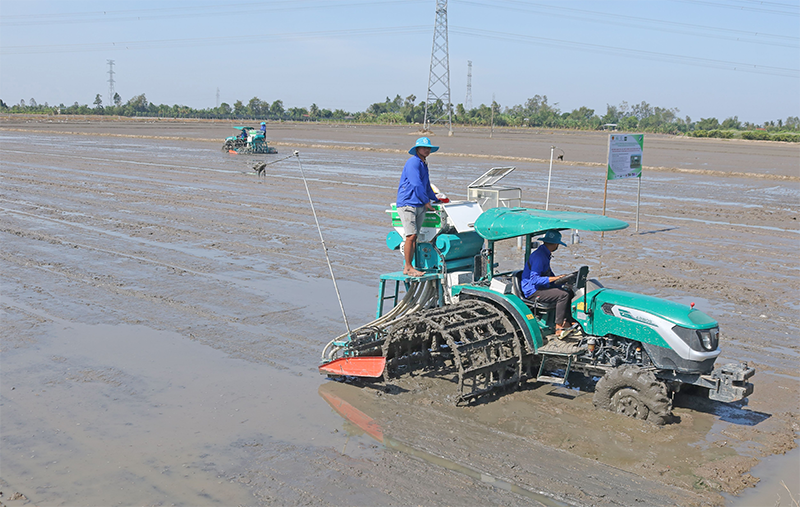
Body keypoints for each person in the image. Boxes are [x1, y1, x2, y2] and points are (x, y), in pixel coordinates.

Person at [396, 137, 441, 277]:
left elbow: (426, 186)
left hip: (419, 203)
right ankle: (408, 267)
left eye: (428, 148)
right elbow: (416, 184)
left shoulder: (423, 164)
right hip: (408, 203)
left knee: (415, 236)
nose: (426, 150)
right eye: (424, 147)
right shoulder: (413, 162)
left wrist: (436, 199)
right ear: (417, 149)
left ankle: (411, 266)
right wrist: (427, 201)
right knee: (411, 235)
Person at [521, 229, 574, 335]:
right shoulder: (539, 257)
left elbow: (548, 274)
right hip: (533, 291)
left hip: (542, 287)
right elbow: (534, 280)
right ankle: (559, 327)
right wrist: (555, 279)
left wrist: (563, 280)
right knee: (563, 295)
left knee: (569, 290)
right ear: (555, 244)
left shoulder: (545, 254)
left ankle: (568, 322)